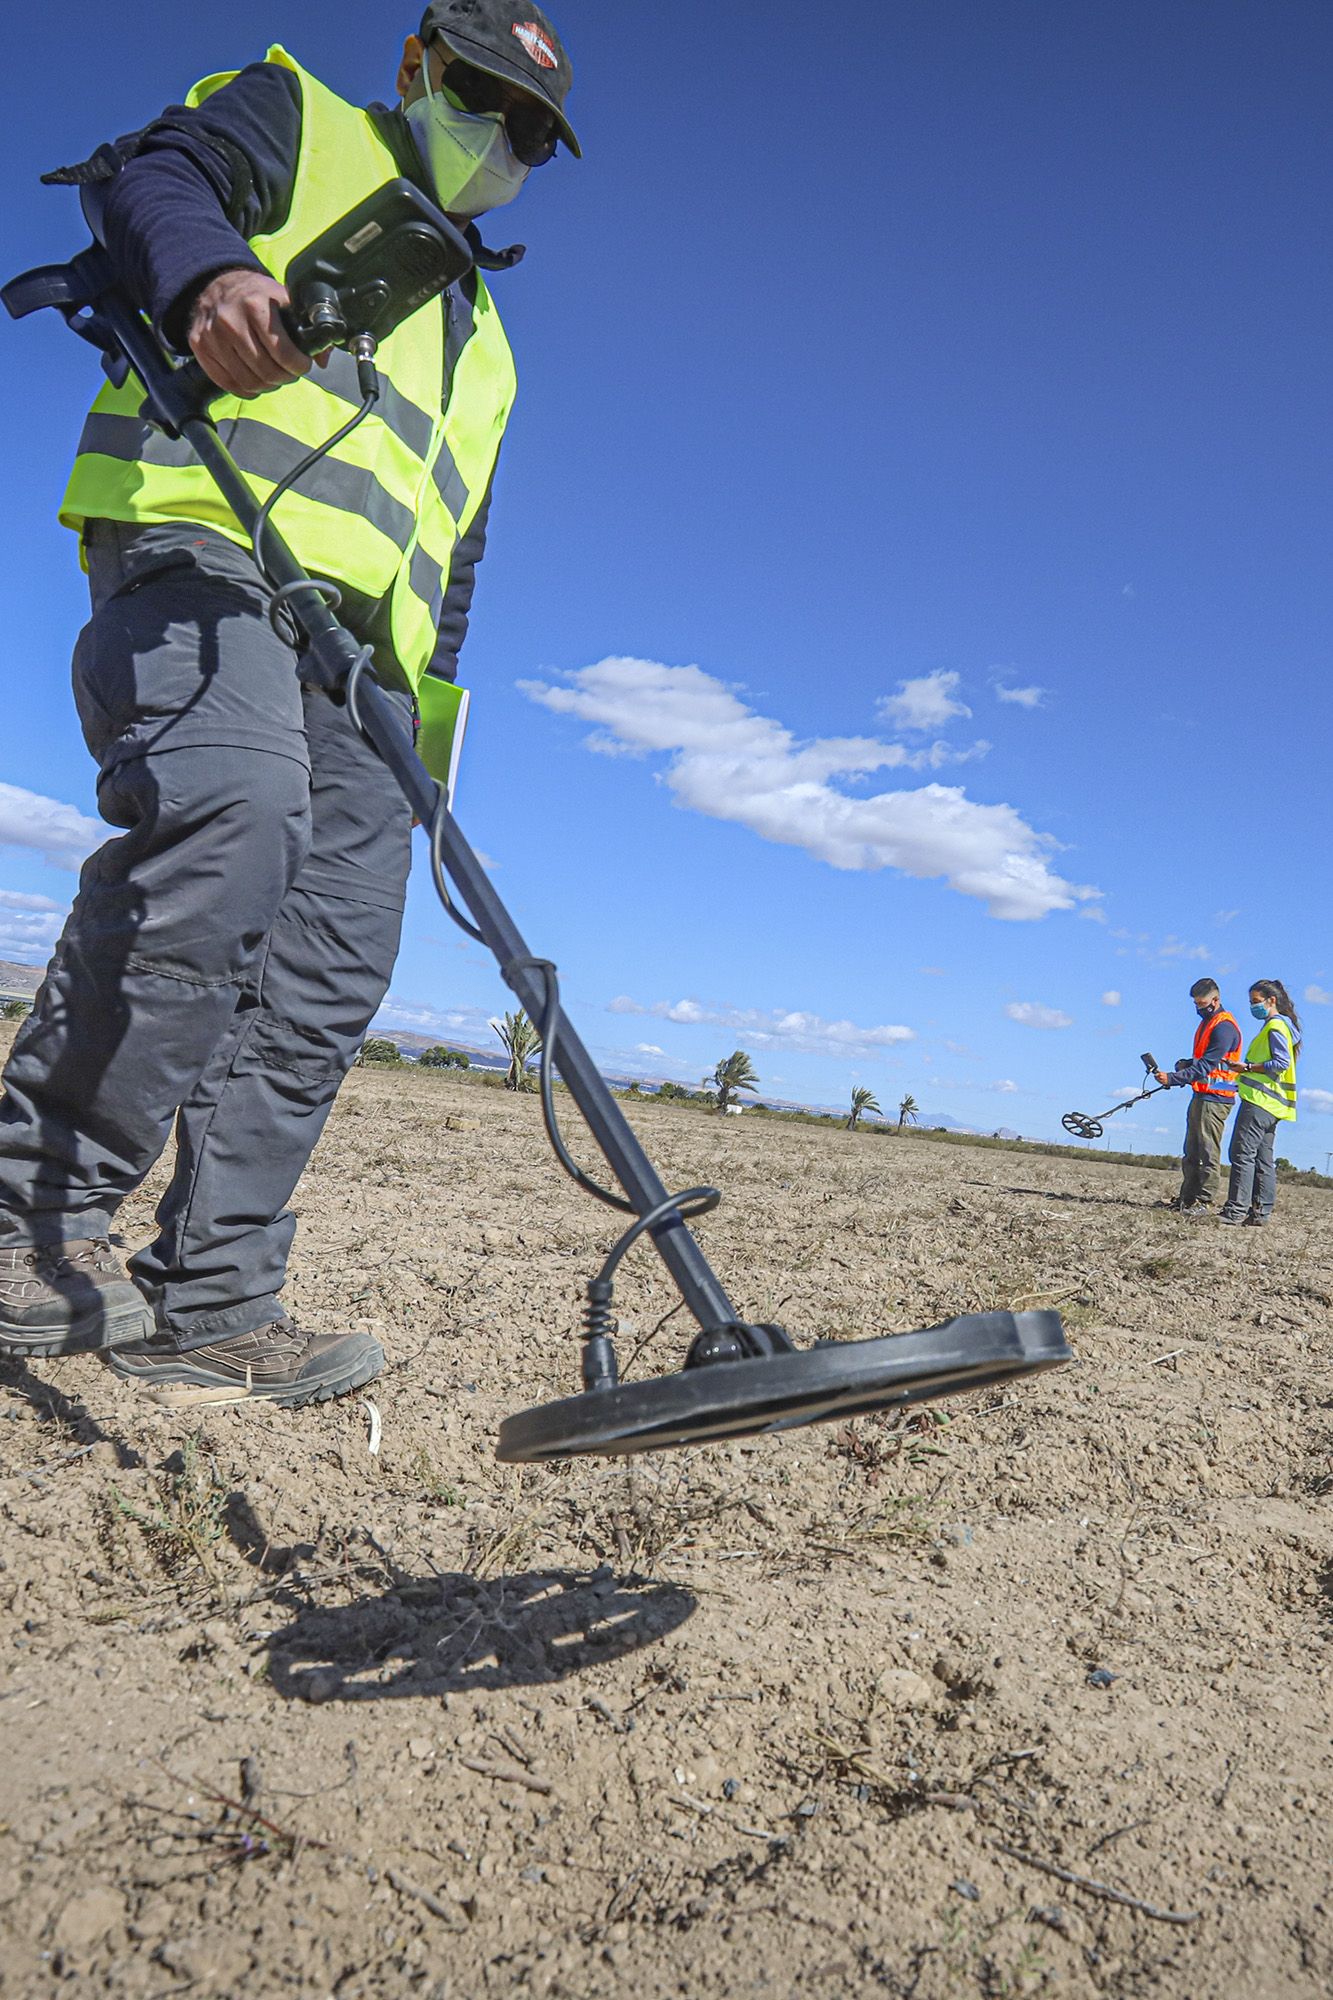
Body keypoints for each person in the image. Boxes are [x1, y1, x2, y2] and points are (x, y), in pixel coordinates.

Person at [0, 4, 579, 1404]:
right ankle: (28, 1229)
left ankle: (213, 1296)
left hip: (371, 664)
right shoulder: (297, 117)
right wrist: (208, 279)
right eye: (479, 98)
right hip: (203, 543)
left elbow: (457, 556)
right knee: (230, 816)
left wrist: (424, 749)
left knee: (331, 960)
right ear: (416, 69)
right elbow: (157, 177)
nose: (496, 139)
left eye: (527, 133)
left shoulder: (488, 344)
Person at [1152, 977, 1242, 1215]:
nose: (1199, 1009)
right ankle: (1187, 1199)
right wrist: (1187, 1064)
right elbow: (1203, 1062)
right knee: (1191, 1151)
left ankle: (1205, 1201)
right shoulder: (1208, 1024)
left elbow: (1208, 1067)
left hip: (1216, 1100)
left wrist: (1172, 1078)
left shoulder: (1224, 1027)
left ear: (1216, 999)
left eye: (1203, 1004)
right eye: (1196, 1004)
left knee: (1208, 1151)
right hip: (1201, 1095)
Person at [1219, 981, 1301, 1227]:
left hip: (1260, 1103)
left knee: (1241, 1153)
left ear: (1271, 1000)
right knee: (1263, 1159)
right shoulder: (1283, 1028)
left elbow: (1280, 1063)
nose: (1253, 1006)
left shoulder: (1275, 1027)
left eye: (1255, 1001)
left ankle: (1235, 1211)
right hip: (1274, 1106)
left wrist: (1245, 1068)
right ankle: (1260, 1213)